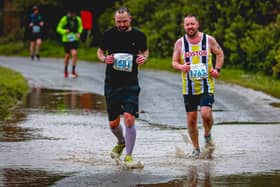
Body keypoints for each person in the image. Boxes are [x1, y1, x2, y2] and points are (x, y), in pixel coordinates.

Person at [97, 7, 149, 167]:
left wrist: (143, 58)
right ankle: (121, 141)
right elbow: (99, 52)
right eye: (118, 22)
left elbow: (145, 52)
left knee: (129, 119)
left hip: (131, 84)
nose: (121, 24)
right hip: (112, 83)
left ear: (130, 19)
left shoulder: (139, 35)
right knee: (113, 123)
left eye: (124, 21)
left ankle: (129, 157)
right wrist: (105, 59)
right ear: (115, 21)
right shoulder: (109, 34)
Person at [172, 14, 224, 157]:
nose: (190, 27)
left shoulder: (209, 40)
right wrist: (181, 66)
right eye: (187, 24)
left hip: (206, 84)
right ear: (184, 26)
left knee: (206, 114)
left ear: (197, 24)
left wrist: (217, 69)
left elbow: (220, 54)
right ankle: (196, 149)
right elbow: (174, 62)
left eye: (192, 24)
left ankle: (207, 134)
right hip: (188, 87)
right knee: (191, 119)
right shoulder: (180, 43)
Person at [56, 8, 83, 78]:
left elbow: (80, 27)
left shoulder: (78, 19)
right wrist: (65, 31)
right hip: (66, 39)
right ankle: (65, 71)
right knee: (67, 55)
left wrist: (79, 33)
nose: (72, 14)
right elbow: (58, 28)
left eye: (73, 13)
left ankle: (73, 71)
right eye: (71, 13)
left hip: (74, 39)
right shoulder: (64, 19)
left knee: (74, 53)